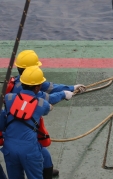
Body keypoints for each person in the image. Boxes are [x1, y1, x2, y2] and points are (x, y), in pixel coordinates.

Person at [7, 50, 86, 178]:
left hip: (11, 142)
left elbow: (50, 87)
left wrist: (71, 87)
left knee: (44, 157)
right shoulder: (37, 101)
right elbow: (46, 99)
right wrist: (64, 94)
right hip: (28, 142)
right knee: (36, 163)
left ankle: (47, 171)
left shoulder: (11, 95)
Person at [0, 66, 52, 179]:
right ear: (38, 87)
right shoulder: (42, 104)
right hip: (29, 150)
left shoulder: (8, 98)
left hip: (9, 148)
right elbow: (48, 108)